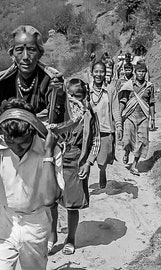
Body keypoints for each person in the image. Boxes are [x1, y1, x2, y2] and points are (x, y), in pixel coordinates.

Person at [0, 98, 64, 270]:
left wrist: (48, 152)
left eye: (23, 142)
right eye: (10, 141)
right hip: (4, 221)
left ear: (33, 132)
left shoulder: (48, 147)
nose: (16, 148)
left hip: (35, 224)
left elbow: (50, 199)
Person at [0, 25, 66, 129]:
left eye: (31, 50)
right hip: (6, 138)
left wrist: (59, 94)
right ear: (12, 54)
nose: (25, 57)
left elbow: (56, 120)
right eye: (19, 50)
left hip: (41, 138)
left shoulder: (49, 81)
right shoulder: (3, 81)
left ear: (39, 53)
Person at [48, 78, 100, 255]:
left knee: (72, 205)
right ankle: (52, 235)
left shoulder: (89, 115)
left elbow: (95, 141)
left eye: (78, 95)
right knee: (51, 202)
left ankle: (70, 238)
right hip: (56, 160)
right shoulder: (57, 113)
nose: (74, 99)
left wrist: (88, 162)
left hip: (76, 162)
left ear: (85, 96)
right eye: (71, 95)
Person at [89, 61, 123, 189]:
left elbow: (115, 109)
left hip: (105, 130)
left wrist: (119, 126)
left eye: (101, 71)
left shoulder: (111, 89)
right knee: (83, 158)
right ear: (92, 73)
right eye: (96, 71)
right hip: (90, 131)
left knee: (102, 160)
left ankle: (102, 171)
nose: (99, 74)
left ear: (106, 73)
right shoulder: (87, 89)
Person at [119, 61, 155, 176]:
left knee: (142, 140)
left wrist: (153, 118)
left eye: (143, 71)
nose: (141, 73)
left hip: (144, 116)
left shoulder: (149, 86)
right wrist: (119, 115)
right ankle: (126, 152)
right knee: (127, 139)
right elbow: (123, 100)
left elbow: (152, 103)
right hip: (130, 116)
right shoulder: (129, 85)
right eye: (139, 71)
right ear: (135, 72)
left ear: (146, 73)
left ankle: (134, 165)